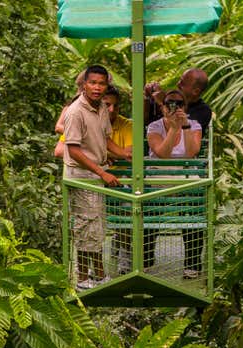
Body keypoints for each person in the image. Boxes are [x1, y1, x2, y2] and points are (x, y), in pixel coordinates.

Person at [63, 65, 131, 290]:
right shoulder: (75, 112)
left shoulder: (102, 107)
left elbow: (105, 139)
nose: (97, 88)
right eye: (93, 83)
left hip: (97, 175)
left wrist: (123, 154)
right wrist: (102, 172)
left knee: (97, 227)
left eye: (102, 84)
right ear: (84, 85)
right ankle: (83, 278)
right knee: (86, 226)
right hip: (83, 176)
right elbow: (73, 150)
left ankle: (98, 275)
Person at [144, 89, 204, 279]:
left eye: (179, 103)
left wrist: (184, 126)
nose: (174, 107)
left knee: (194, 215)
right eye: (170, 103)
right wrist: (172, 128)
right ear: (162, 107)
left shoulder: (194, 125)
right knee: (150, 216)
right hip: (160, 175)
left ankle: (193, 263)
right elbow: (162, 153)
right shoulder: (154, 127)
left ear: (184, 107)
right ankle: (145, 260)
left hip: (186, 173)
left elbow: (191, 152)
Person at [144, 68, 212, 131]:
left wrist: (162, 103)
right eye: (179, 80)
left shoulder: (203, 111)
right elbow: (143, 121)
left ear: (195, 91)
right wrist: (147, 97)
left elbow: (178, 132)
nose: (178, 84)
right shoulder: (170, 99)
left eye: (182, 83)